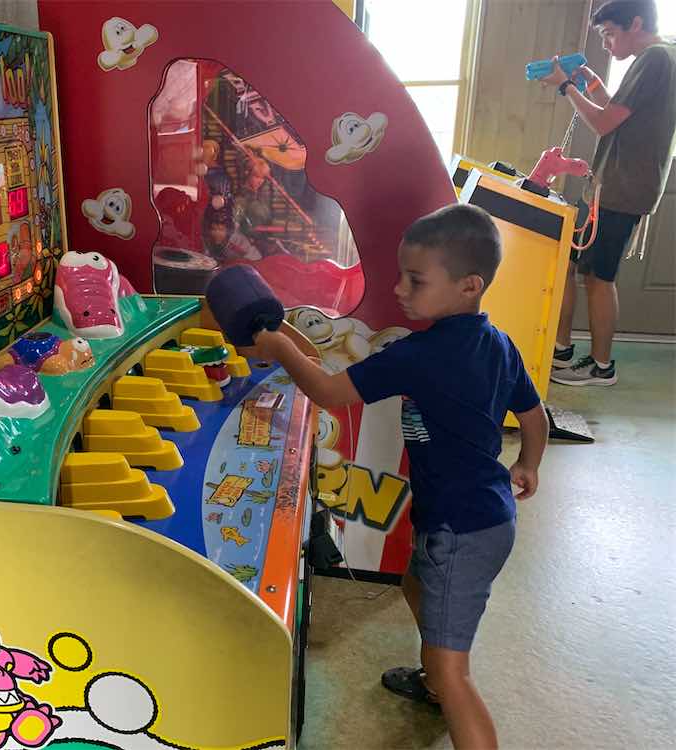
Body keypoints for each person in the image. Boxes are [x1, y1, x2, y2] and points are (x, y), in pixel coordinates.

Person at [239, 204, 549, 749]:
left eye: (416, 279)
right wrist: (528, 462)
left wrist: (279, 346)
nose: (400, 289)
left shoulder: (421, 355)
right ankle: (434, 679)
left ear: (468, 286)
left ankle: (442, 683)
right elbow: (533, 416)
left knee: (455, 672)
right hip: (480, 514)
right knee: (415, 583)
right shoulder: (497, 344)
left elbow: (332, 393)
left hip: (462, 528)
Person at [538, 0, 676, 386]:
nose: (607, 44)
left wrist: (565, 87)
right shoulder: (660, 57)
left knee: (600, 277)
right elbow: (617, 113)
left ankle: (601, 367)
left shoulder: (655, 60)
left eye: (609, 34)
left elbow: (602, 123)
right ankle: (563, 349)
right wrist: (592, 83)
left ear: (636, 23)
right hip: (611, 185)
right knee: (572, 263)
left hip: (621, 188)